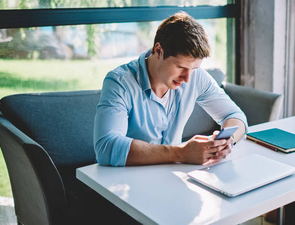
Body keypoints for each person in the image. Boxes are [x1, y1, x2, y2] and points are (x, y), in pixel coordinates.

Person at [94, 11, 247, 166]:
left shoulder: (196, 77)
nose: (187, 78)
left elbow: (235, 116)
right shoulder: (119, 82)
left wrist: (228, 140)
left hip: (174, 176)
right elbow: (106, 147)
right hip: (127, 180)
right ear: (159, 51)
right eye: (181, 67)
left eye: (194, 68)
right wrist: (180, 153)